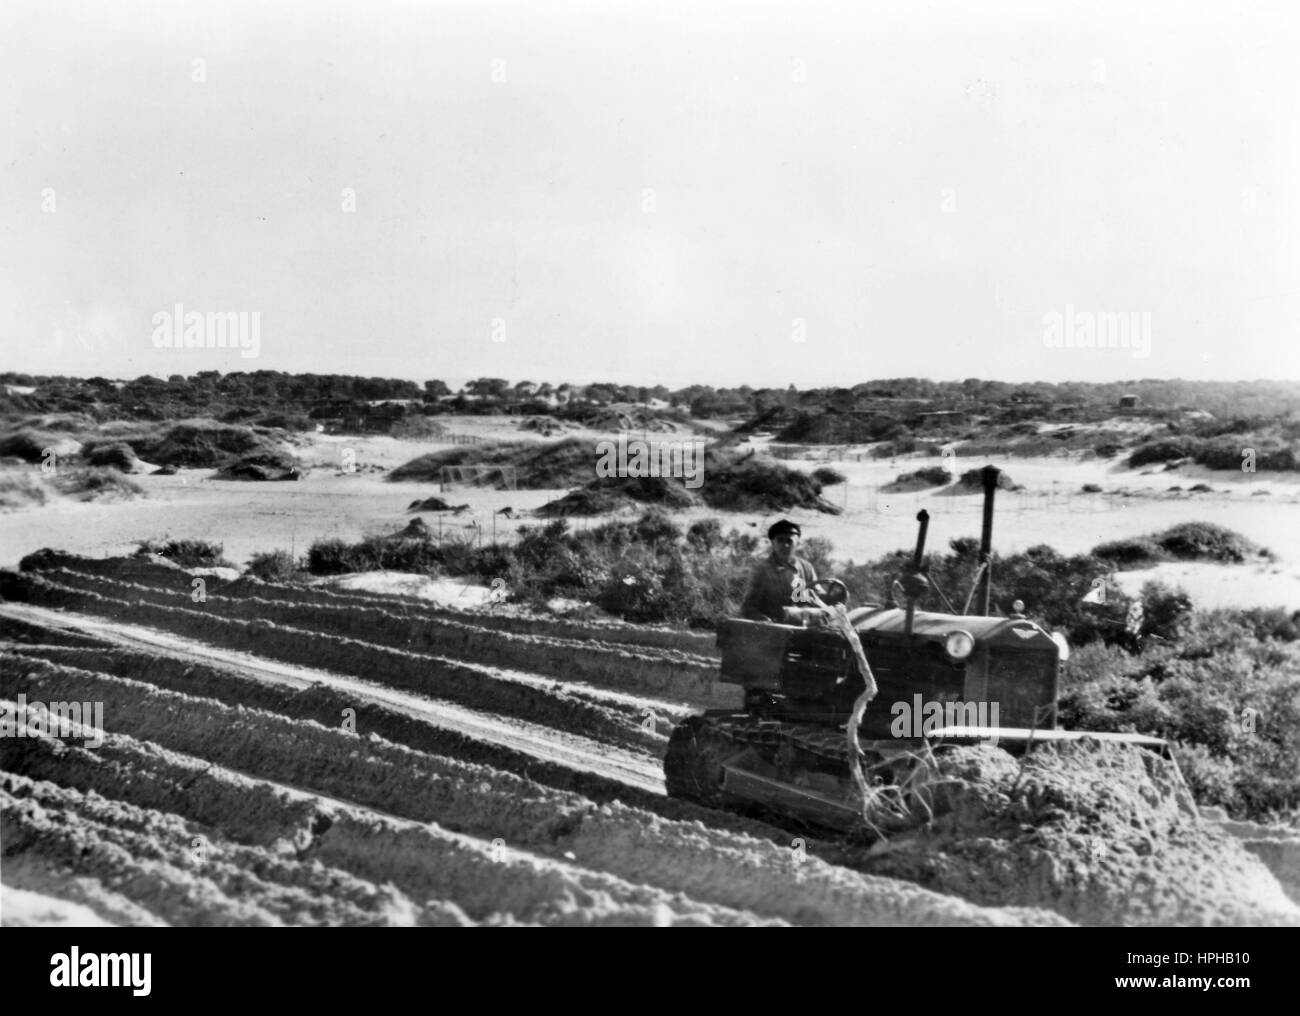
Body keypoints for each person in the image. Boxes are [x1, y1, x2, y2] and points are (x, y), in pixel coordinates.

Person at [740, 519, 819, 622]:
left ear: (797, 543)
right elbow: (747, 607)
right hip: (774, 628)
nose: (785, 545)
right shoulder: (762, 570)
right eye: (780, 540)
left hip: (802, 625)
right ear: (773, 543)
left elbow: (819, 597)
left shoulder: (807, 568)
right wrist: (761, 619)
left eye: (789, 541)